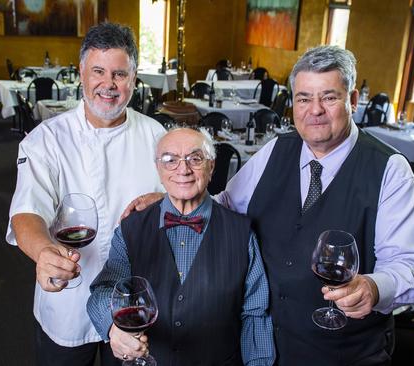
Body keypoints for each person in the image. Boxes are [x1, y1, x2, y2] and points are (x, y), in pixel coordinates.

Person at [126, 45, 414, 365]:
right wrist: (172, 201)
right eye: (303, 98)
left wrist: (373, 287)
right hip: (265, 346)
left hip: (343, 352)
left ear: (353, 101)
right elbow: (225, 205)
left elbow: (412, 262)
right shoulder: (277, 149)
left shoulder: (389, 169)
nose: (314, 110)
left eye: (328, 97)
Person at [6, 22, 166, 366]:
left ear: (134, 79)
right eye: (98, 71)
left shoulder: (156, 135)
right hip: (67, 298)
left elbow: (190, 205)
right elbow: (25, 214)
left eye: (120, 74)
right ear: (81, 72)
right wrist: (44, 252)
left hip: (133, 302)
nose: (108, 84)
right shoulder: (45, 139)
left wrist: (167, 203)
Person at [87, 128, 275, 365]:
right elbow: (104, 289)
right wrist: (113, 327)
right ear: (158, 169)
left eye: (195, 159)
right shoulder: (130, 229)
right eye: (170, 160)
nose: (183, 169)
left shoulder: (242, 232)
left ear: (212, 167)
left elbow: (256, 315)